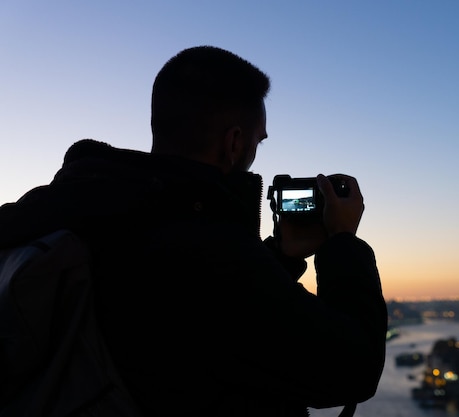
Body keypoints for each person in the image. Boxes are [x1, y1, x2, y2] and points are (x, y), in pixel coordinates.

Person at [0, 46, 387, 416]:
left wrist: (280, 258)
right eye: (257, 140)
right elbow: (353, 369)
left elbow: (216, 324)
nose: (255, 151)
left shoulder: (86, 210)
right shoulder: (206, 256)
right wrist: (342, 243)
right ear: (234, 142)